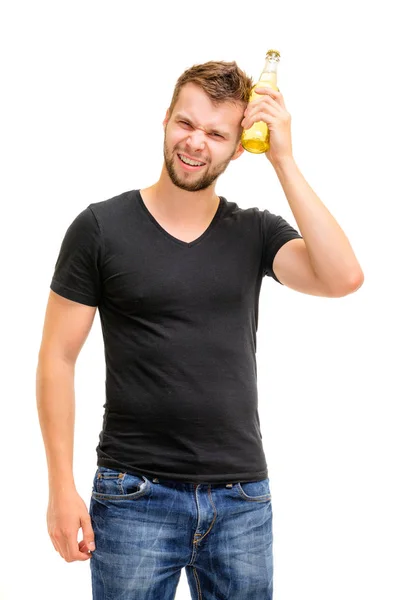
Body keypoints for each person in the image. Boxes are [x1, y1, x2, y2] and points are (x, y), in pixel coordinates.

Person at [36, 60, 364, 599]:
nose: (195, 143)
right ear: (165, 120)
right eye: (186, 124)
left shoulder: (256, 231)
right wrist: (60, 487)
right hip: (132, 496)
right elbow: (57, 358)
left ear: (239, 147)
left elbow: (343, 277)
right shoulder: (99, 228)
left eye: (216, 133)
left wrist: (282, 157)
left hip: (241, 500)